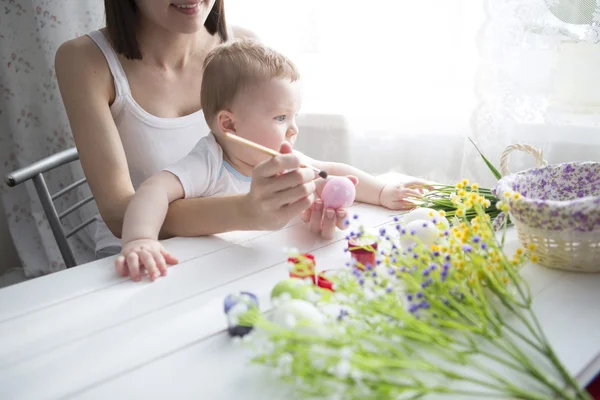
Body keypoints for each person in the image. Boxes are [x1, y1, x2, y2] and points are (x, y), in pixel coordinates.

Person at [55, 0, 348, 262]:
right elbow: (120, 215)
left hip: (232, 243)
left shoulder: (244, 47)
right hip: (141, 252)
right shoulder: (84, 59)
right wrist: (245, 211)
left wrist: (297, 205)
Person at [115, 39, 425, 282]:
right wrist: (140, 239)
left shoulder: (284, 160)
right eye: (280, 117)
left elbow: (330, 172)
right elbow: (153, 189)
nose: (294, 129)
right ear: (229, 125)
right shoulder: (209, 161)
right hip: (212, 273)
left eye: (294, 116)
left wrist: (382, 191)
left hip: (268, 268)